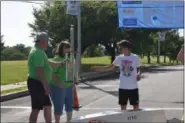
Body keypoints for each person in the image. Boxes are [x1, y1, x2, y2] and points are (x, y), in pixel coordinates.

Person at [27, 32, 67, 123]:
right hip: (37, 83)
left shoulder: (39, 51)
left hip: (38, 82)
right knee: (36, 109)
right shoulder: (38, 52)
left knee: (47, 106)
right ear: (44, 42)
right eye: (47, 42)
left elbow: (48, 63)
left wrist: (61, 63)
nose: (47, 45)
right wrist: (45, 86)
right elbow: (39, 70)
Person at [91, 40, 141, 111]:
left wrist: (138, 74)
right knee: (123, 108)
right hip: (123, 87)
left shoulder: (135, 57)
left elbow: (139, 68)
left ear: (126, 48)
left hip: (133, 87)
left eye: (121, 48)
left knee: (136, 107)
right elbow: (110, 67)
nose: (119, 50)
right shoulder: (119, 58)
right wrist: (99, 68)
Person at [49, 41, 74, 123]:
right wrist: (58, 83)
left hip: (69, 85)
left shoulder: (71, 59)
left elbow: (72, 71)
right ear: (61, 49)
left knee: (69, 106)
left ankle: (69, 121)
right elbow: (52, 74)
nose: (68, 49)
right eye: (66, 47)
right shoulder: (56, 59)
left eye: (69, 47)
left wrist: (75, 79)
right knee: (58, 107)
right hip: (58, 86)